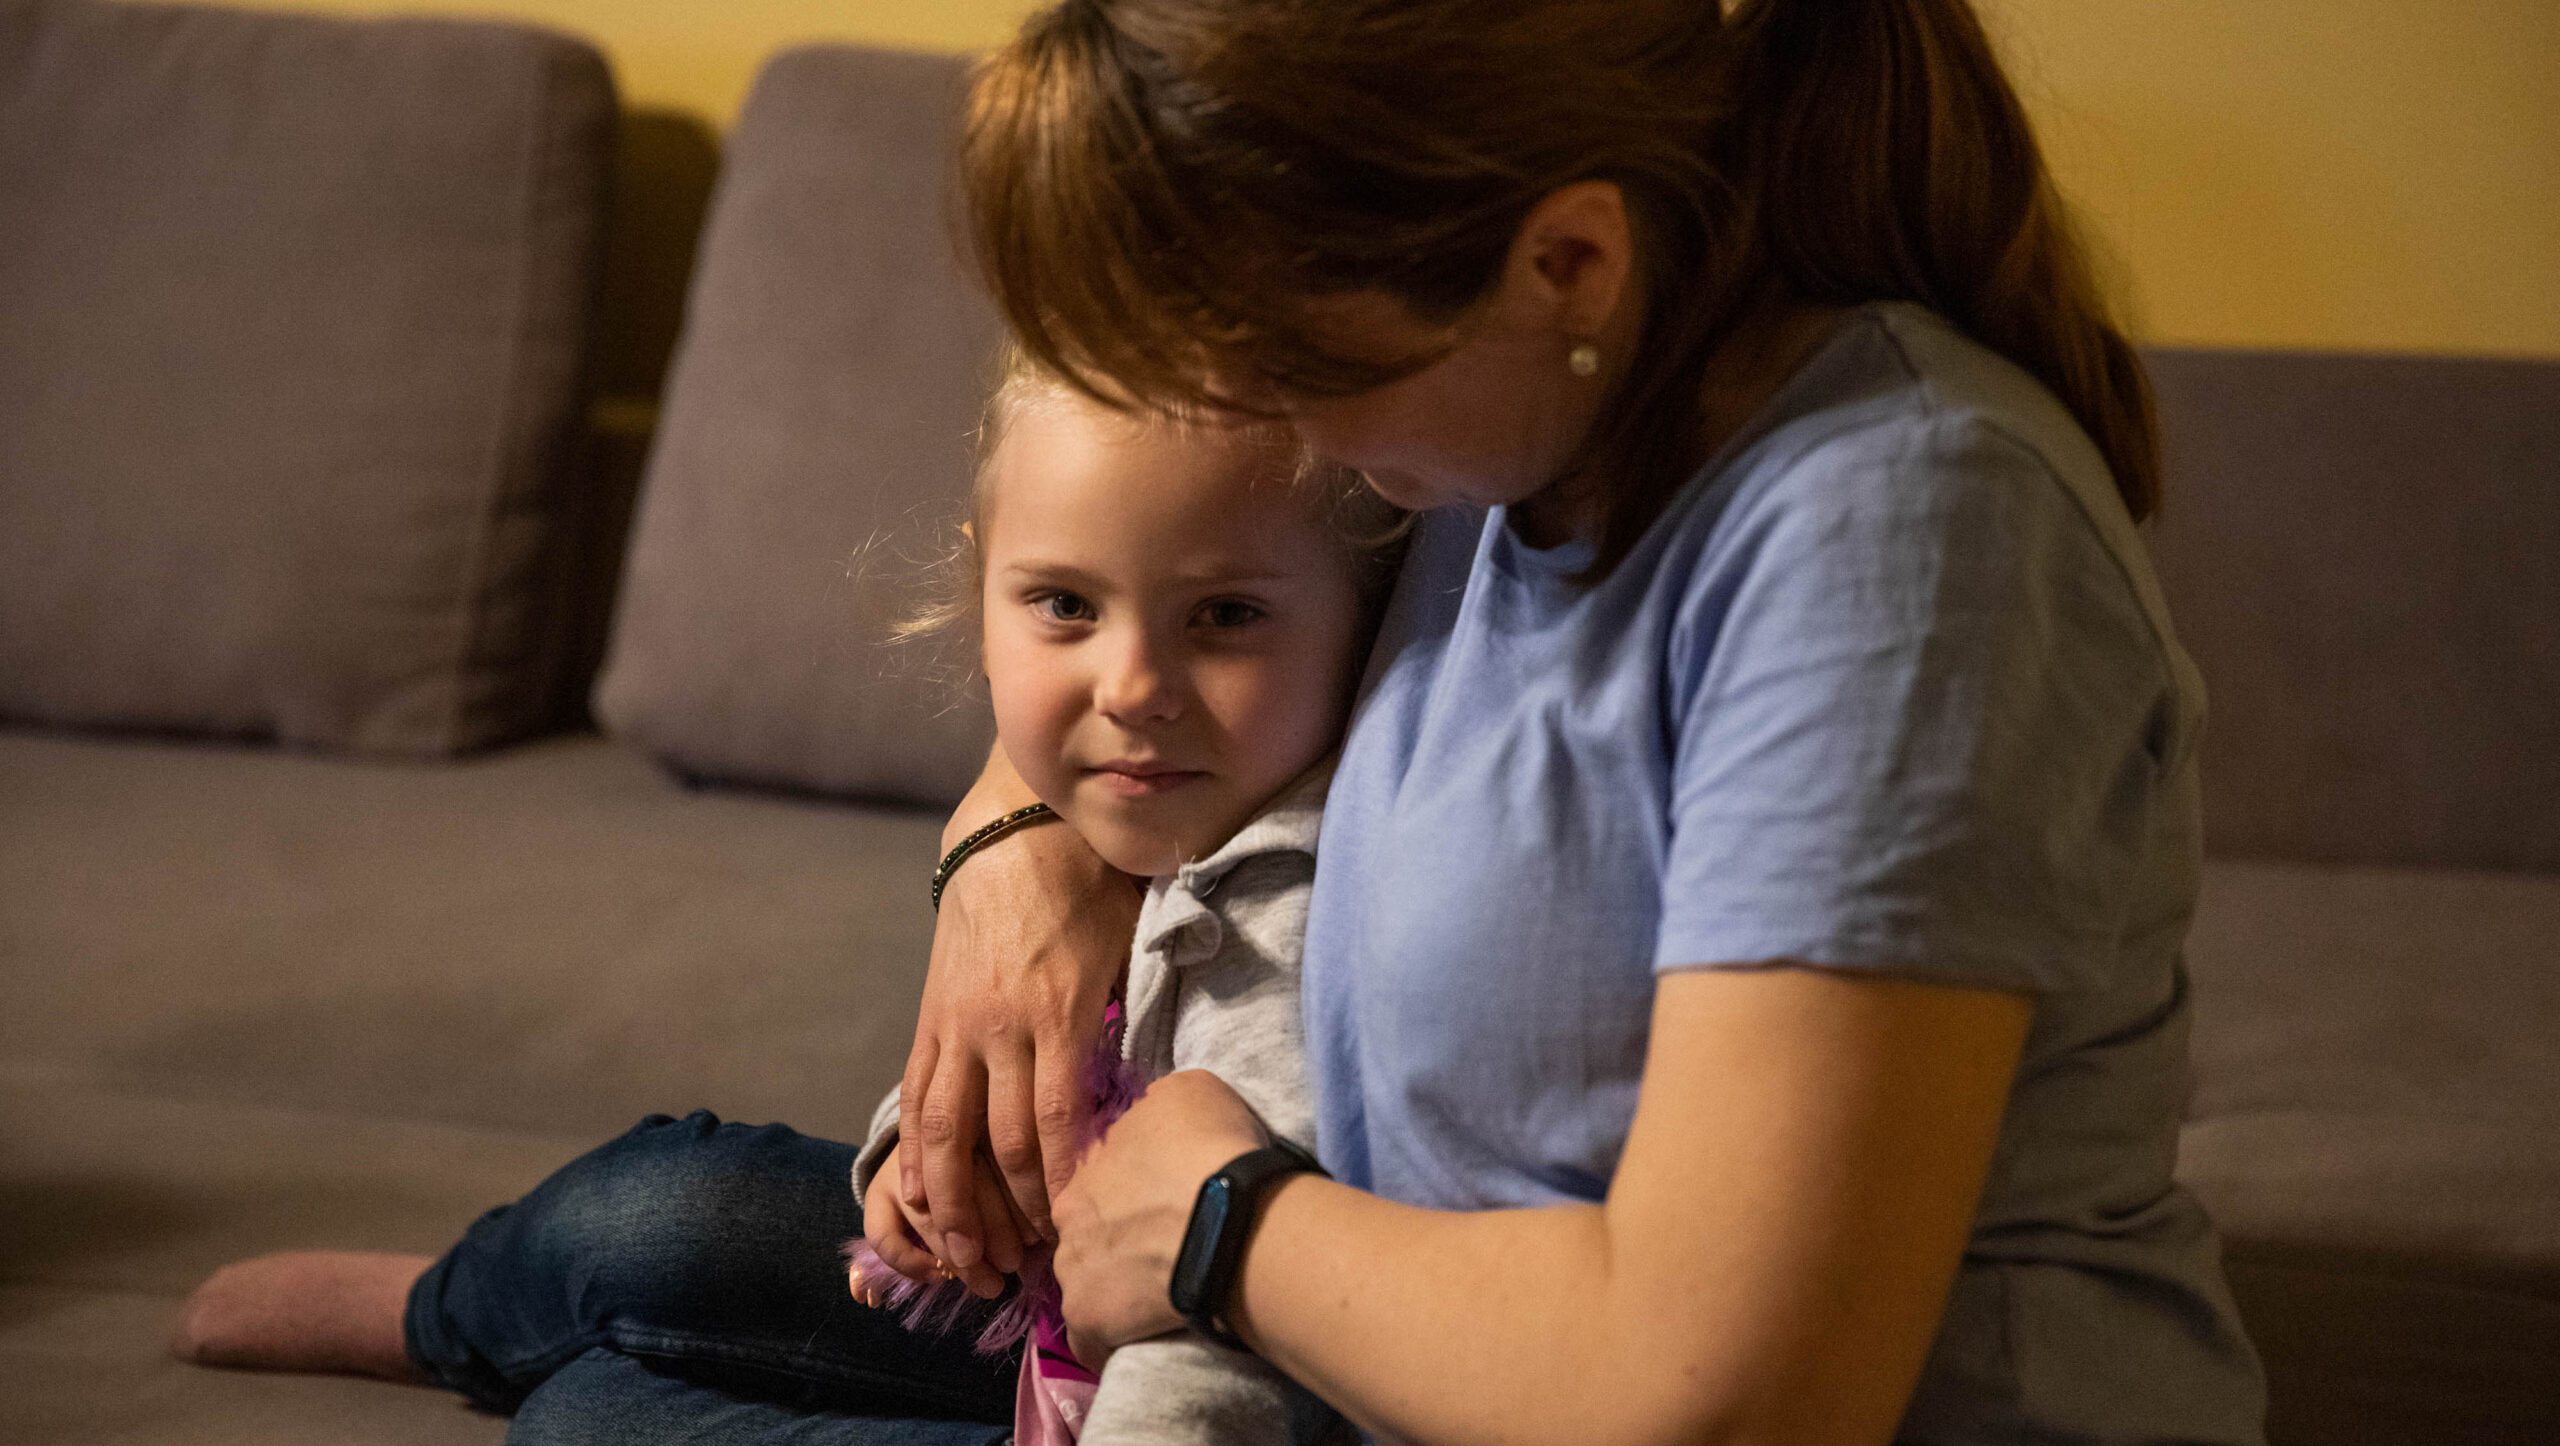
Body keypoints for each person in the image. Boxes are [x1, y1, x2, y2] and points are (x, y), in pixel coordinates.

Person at [895, 1, 2270, 1443]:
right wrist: (1021, 834)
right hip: (1378, 1365)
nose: (1276, 433)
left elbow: (1735, 1401)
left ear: (1568, 262)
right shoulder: (1508, 421)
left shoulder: (1897, 530)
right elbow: (1160, 607)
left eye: (1293, 366)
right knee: (645, 1231)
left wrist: (1220, 1224)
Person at [168, 360, 1392, 1446]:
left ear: (1366, 621)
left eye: (1224, 616)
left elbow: (1220, 1354)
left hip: (1210, 1408)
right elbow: (975, 1068)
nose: (1130, 686)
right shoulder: (1152, 795)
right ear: (981, 596)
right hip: (1049, 1336)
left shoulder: (1287, 925)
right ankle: (450, 1313)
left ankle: (521, 1343)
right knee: (648, 1201)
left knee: (588, 1423)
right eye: (1065, 605)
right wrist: (911, 1177)